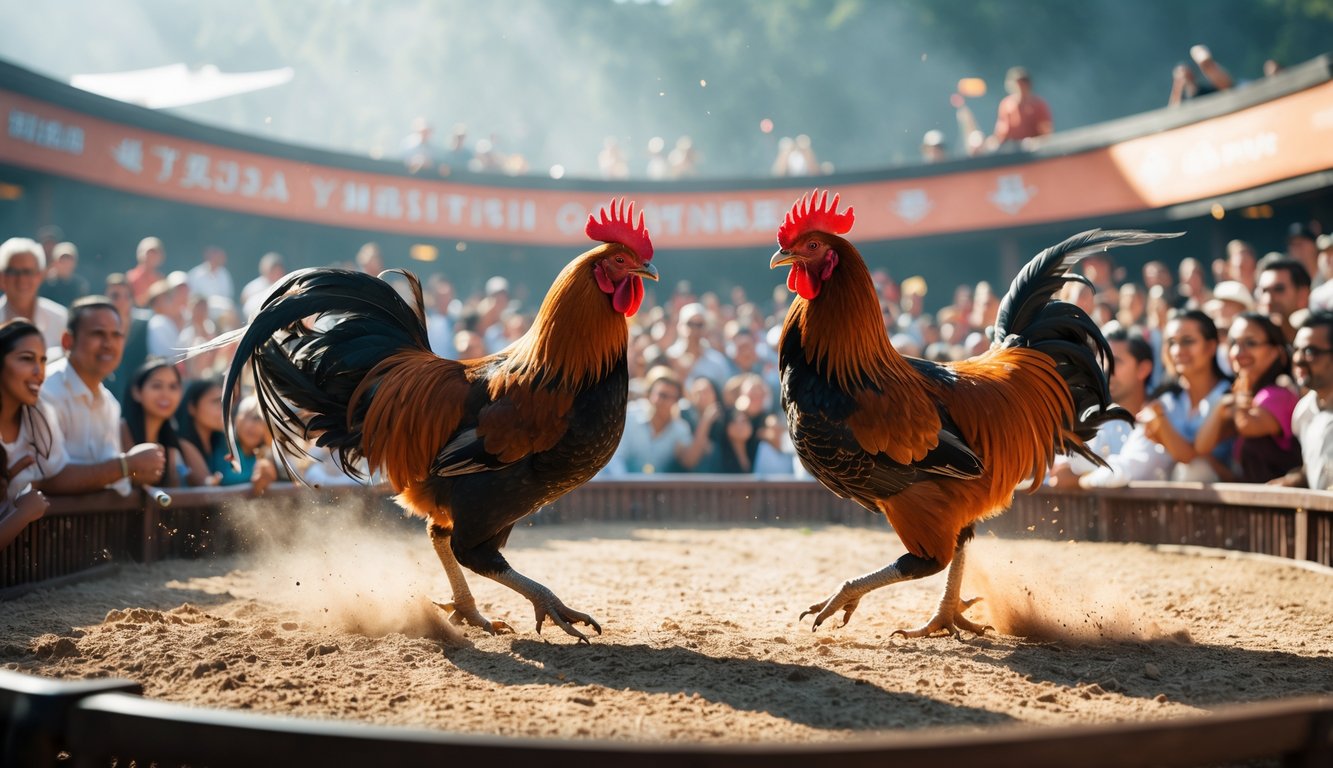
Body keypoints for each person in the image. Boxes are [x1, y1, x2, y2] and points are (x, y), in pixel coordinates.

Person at [40, 298, 166, 496]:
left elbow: (109, 477)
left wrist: (137, 471)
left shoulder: (109, 403)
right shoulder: (46, 391)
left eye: (116, 335)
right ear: (67, 341)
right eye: (98, 333)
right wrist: (127, 465)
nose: (109, 344)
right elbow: (48, 479)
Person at [1195, 313, 1301, 482]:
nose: (1238, 352)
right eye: (1233, 343)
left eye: (1251, 343)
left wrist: (1239, 395)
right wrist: (1223, 405)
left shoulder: (1279, 394)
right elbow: (1202, 446)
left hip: (1279, 505)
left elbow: (1247, 426)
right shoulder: (1238, 398)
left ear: (1275, 352)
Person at [1048, 325, 1158, 488]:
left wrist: (1080, 480)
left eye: (1115, 362)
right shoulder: (1099, 419)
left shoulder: (1161, 415)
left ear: (1143, 369)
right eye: (1102, 362)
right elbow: (1062, 468)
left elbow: (1121, 472)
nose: (1106, 370)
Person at [120, 358, 204, 487]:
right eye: (157, 385)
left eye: (173, 387)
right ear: (137, 392)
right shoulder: (119, 432)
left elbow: (205, 484)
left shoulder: (178, 447)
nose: (166, 394)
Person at [1274, 312, 1333, 489]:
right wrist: (1291, 481)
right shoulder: (1304, 410)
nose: (1298, 359)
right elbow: (1315, 468)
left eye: (1310, 351)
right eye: (1295, 350)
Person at [0, 237, 69, 351]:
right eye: (13, 272)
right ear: (1, 277)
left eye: (28, 272)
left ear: (40, 275)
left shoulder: (60, 319)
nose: (22, 279)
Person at [985, 66, 1052, 152]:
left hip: (1034, 153)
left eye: (1023, 84)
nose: (1020, 88)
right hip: (1011, 153)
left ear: (1028, 85)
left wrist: (1033, 143)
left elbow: (1046, 135)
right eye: (1017, 84)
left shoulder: (1038, 105)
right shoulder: (1006, 105)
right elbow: (1001, 134)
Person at [1256, 256, 1312, 342]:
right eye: (1264, 291)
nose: (1268, 299)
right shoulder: (1252, 348)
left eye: (1279, 289)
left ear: (1303, 295)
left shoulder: (1325, 341)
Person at [41, 241, 90, 308]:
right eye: (62, 260)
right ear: (54, 262)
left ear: (75, 263)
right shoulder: (44, 284)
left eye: (69, 259)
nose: (66, 264)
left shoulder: (80, 285)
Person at [240, 252, 286, 320]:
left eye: (278, 270)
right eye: (274, 271)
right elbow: (243, 303)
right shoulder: (252, 288)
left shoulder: (287, 285)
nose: (277, 273)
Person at [126, 236, 166, 307]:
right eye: (150, 252)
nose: (152, 256)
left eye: (156, 253)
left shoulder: (161, 280)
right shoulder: (131, 278)